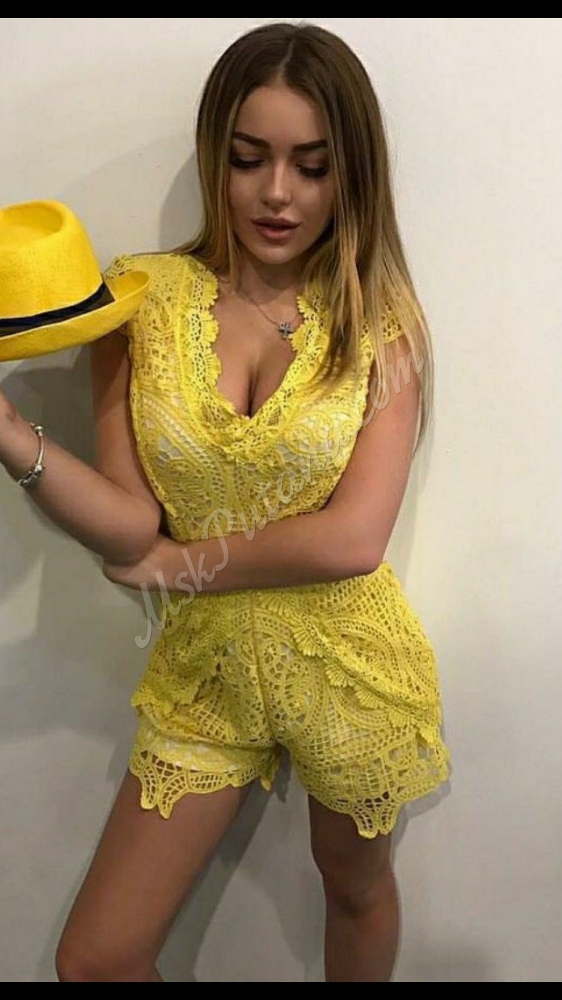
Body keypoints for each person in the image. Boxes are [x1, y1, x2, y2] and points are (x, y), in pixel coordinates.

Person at [0, 21, 449, 983]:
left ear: (352, 173)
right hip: (206, 672)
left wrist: (181, 564)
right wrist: (8, 431)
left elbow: (353, 540)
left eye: (312, 166)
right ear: (217, 154)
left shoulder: (379, 320)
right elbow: (129, 527)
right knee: (96, 961)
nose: (277, 193)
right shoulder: (140, 302)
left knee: (354, 887)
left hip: (348, 665)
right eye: (249, 159)